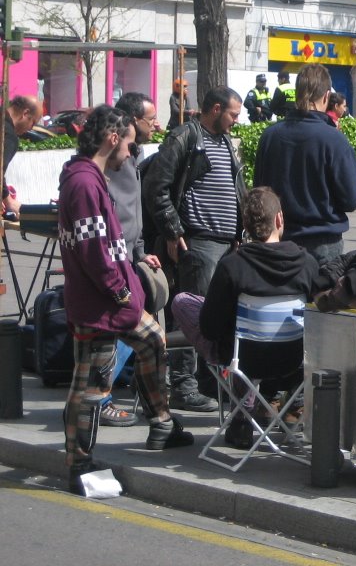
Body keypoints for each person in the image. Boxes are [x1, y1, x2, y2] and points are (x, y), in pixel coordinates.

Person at [59, 106, 193, 494]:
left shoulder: (89, 178)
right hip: (102, 304)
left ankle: (162, 424)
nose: (133, 152)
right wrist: (118, 290)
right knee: (90, 387)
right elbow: (93, 249)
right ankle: (78, 463)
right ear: (113, 138)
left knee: (152, 341)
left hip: (113, 300)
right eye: (130, 143)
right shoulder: (84, 183)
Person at [170, 187, 320, 449]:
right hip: (293, 362)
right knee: (244, 333)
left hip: (245, 362)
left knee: (186, 303)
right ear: (279, 219)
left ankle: (242, 416)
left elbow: (210, 328)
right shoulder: (307, 264)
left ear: (246, 226)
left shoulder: (232, 265)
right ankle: (290, 408)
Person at [142, 86, 245, 412]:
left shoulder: (225, 143)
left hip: (226, 245)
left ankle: (208, 384)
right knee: (192, 315)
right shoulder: (186, 137)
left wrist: (240, 231)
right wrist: (172, 230)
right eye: (233, 114)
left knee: (218, 317)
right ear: (215, 109)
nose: (236, 121)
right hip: (198, 244)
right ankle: (184, 385)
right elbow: (156, 187)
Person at [254, 63, 356, 265]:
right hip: (323, 243)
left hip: (278, 239)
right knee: (322, 296)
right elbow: (352, 199)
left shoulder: (269, 136)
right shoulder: (334, 140)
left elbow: (259, 191)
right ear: (326, 97)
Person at [103, 92, 166, 428]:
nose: (156, 124)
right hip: (113, 261)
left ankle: (147, 406)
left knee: (133, 333)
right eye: (150, 119)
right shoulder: (114, 159)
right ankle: (102, 398)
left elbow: (133, 211)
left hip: (128, 257)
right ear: (129, 121)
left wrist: (140, 251)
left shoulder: (134, 155)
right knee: (129, 332)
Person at [3, 94, 42, 219]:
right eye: (33, 122)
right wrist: (9, 201)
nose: (31, 128)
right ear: (25, 114)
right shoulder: (8, 136)